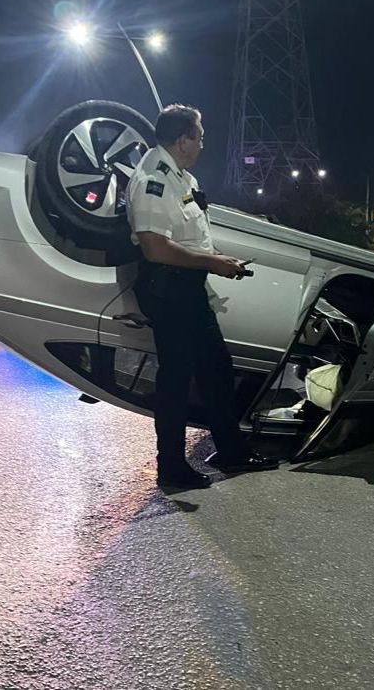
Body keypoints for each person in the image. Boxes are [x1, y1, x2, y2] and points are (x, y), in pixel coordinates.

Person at [126, 104, 278, 489]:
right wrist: (212, 263)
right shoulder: (153, 180)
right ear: (183, 140)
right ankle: (172, 468)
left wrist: (214, 260)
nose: (203, 143)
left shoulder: (180, 177)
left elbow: (189, 234)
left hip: (187, 287)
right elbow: (154, 248)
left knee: (216, 371)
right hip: (169, 287)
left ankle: (232, 452)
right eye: (200, 136)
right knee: (176, 380)